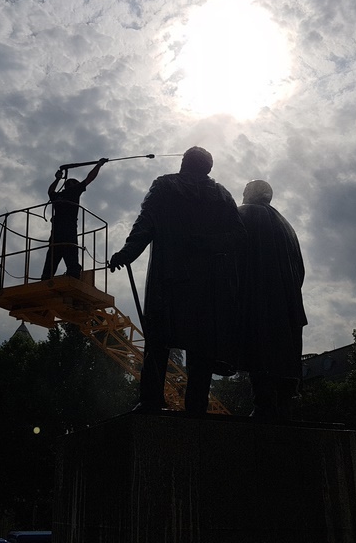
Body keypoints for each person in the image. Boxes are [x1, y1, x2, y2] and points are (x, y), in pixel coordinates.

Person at [108, 146, 246, 415]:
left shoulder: (165, 185)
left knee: (158, 343)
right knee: (201, 349)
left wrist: (127, 253)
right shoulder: (222, 195)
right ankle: (196, 408)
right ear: (208, 168)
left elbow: (145, 223)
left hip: (169, 278)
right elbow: (239, 237)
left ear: (184, 163)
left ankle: (150, 401)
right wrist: (209, 244)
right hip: (207, 285)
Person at [236, 179, 307, 421]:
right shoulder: (288, 226)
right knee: (286, 360)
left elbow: (230, 252)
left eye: (245, 191)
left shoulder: (244, 213)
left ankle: (263, 407)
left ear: (252, 194)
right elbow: (300, 269)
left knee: (260, 354)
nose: (243, 195)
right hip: (290, 304)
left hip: (260, 298)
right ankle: (285, 409)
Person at [41, 158, 108, 280]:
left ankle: (48, 278)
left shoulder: (61, 195)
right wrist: (99, 165)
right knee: (68, 260)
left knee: (53, 261)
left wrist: (57, 179)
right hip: (66, 232)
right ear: (73, 184)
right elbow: (89, 178)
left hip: (58, 232)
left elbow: (50, 191)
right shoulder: (72, 192)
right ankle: (70, 275)